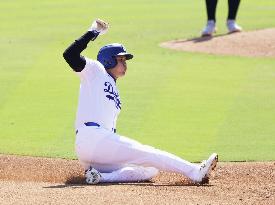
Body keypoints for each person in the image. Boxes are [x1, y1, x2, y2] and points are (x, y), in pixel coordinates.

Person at [63, 19, 218, 185]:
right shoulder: (95, 70)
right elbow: (70, 55)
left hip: (97, 150)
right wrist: (94, 31)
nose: (125, 63)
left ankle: (101, 177)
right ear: (108, 60)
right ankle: (194, 172)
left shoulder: (112, 86)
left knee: (150, 169)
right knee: (148, 153)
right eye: (121, 59)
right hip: (92, 137)